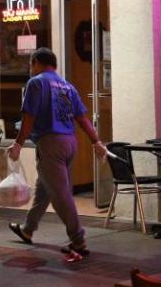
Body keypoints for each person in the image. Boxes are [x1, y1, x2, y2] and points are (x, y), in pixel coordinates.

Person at [8, 47, 106, 256]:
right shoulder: (67, 86)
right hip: (70, 142)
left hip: (50, 143)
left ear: (35, 62)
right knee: (44, 188)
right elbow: (82, 118)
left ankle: (78, 240)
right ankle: (28, 229)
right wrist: (96, 141)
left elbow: (29, 119)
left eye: (31, 65)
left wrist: (18, 143)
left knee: (61, 195)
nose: (30, 69)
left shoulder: (36, 83)